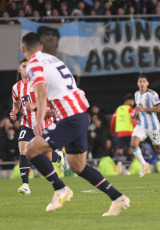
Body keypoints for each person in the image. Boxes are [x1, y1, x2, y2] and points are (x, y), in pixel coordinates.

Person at [21, 32, 129, 216]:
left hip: (70, 118)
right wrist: (51, 111)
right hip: (79, 114)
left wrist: (39, 119)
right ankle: (118, 198)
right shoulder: (53, 60)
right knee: (77, 166)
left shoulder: (33, 64)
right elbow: (62, 90)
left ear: (23, 49)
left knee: (30, 149)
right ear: (41, 47)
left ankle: (60, 189)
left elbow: (41, 90)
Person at [10, 58, 65, 196]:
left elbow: (47, 98)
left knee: (44, 156)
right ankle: (25, 185)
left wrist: (35, 105)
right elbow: (16, 103)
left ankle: (58, 157)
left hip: (43, 122)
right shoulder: (16, 87)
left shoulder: (37, 83)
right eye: (24, 66)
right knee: (23, 150)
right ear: (19, 69)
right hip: (27, 124)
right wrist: (15, 112)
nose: (26, 69)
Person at [131, 75, 160, 181]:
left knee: (159, 149)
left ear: (147, 83)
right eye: (140, 82)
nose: (142, 83)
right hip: (141, 125)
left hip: (153, 126)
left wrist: (143, 109)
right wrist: (134, 115)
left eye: (144, 81)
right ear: (138, 83)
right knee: (133, 144)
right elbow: (138, 108)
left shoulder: (152, 94)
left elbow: (159, 108)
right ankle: (144, 164)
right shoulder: (136, 94)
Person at [110, 94, 136, 175]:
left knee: (119, 150)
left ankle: (119, 163)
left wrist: (113, 132)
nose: (133, 102)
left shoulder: (118, 109)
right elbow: (134, 121)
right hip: (129, 132)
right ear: (128, 101)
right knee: (129, 150)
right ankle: (126, 169)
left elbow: (113, 122)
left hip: (120, 133)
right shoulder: (131, 109)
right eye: (132, 100)